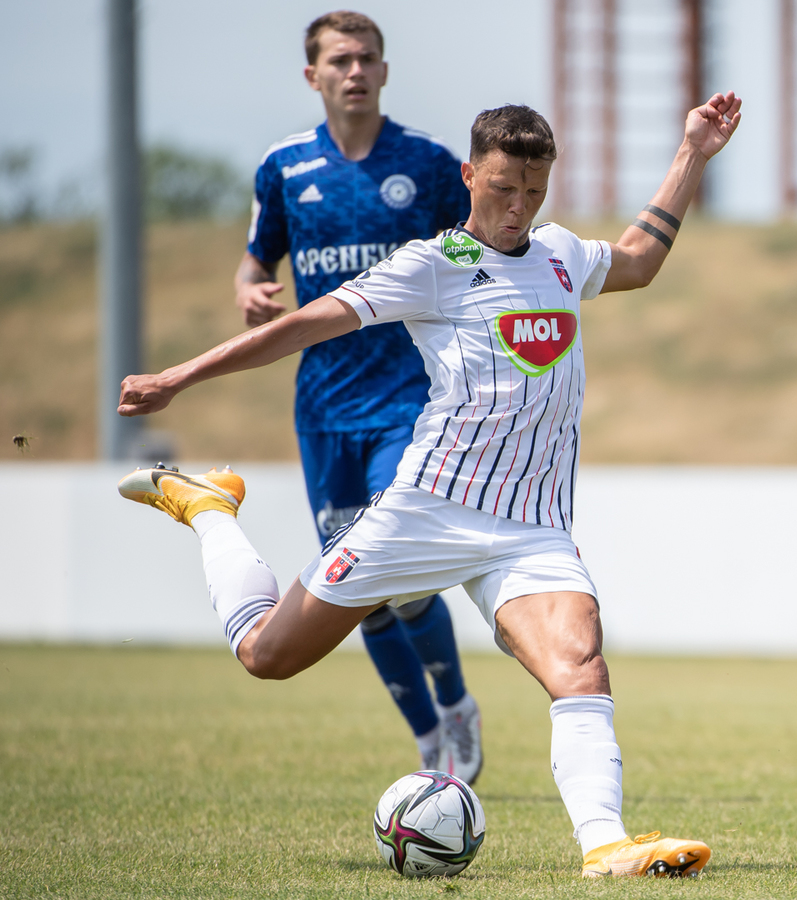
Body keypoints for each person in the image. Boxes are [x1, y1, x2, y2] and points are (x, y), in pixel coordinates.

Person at [115, 94, 741, 878]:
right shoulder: (432, 266)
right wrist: (177, 377)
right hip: (425, 510)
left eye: (534, 191)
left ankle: (606, 846)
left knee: (581, 664)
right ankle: (210, 509)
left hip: (531, 529)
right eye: (503, 188)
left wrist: (693, 153)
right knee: (266, 654)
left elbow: (640, 260)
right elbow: (301, 327)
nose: (518, 207)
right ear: (468, 176)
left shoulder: (560, 254)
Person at [238, 10, 481, 782]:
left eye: (367, 58)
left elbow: (480, 259)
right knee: (355, 587)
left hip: (408, 399)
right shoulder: (284, 168)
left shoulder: (431, 164)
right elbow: (256, 261)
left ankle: (456, 702)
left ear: (384, 70)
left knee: (393, 571)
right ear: (313, 75)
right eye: (340, 60)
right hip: (323, 407)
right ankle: (429, 737)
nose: (355, 71)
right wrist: (250, 290)